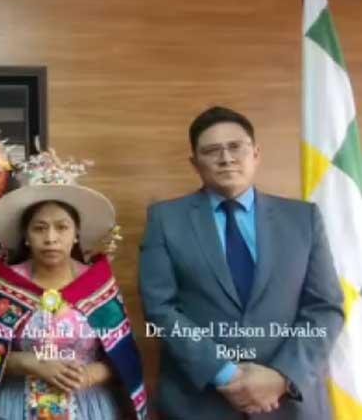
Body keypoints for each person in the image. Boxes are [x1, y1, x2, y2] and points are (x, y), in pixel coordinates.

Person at [138, 106, 344, 419]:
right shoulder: (165, 220)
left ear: (256, 154)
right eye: (212, 151)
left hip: (290, 403)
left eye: (236, 147)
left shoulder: (303, 218)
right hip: (201, 403)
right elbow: (160, 309)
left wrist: (281, 376)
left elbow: (325, 306)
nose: (226, 158)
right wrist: (225, 374)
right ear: (195, 163)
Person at [0, 151, 149, 420]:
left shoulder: (97, 286)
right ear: (26, 236)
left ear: (76, 234)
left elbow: (123, 356)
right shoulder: (6, 285)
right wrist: (27, 362)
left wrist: (91, 373)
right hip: (17, 406)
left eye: (62, 227)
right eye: (40, 228)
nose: (51, 238)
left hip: (87, 407)